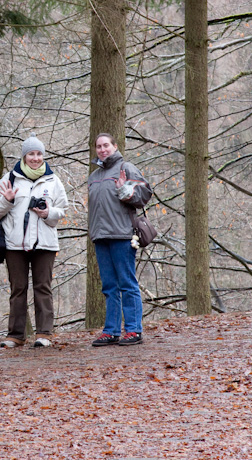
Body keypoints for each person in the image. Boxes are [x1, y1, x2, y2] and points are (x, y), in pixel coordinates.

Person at [0, 135, 69, 348]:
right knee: (18, 288)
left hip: (45, 243)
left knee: (43, 287)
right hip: (14, 243)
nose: (35, 158)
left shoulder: (53, 181)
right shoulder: (9, 179)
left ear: (43, 155)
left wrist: (47, 212)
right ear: (24, 156)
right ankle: (15, 335)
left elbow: (62, 209)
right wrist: (6, 200)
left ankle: (45, 334)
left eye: (39, 154)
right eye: (31, 154)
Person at [88, 133, 152, 347]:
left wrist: (124, 189)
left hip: (122, 234)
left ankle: (134, 330)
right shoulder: (94, 176)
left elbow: (143, 197)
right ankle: (111, 331)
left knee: (127, 283)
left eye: (106, 145)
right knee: (109, 287)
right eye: (99, 146)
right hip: (101, 237)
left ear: (115, 146)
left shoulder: (127, 168)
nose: (102, 149)